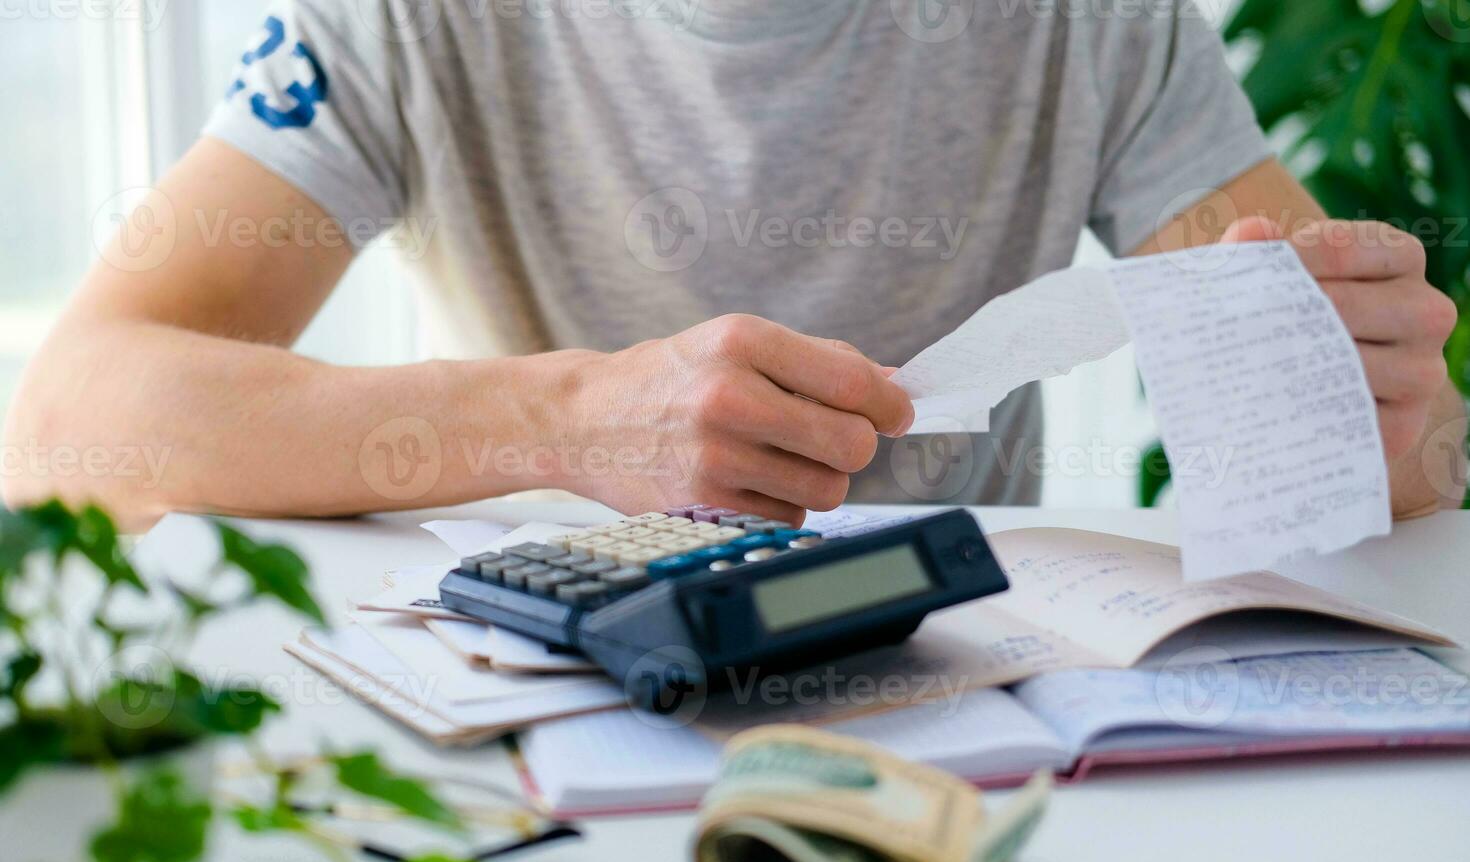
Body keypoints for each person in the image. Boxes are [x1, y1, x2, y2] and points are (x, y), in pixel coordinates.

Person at [4, 0, 1463, 528]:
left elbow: (1384, 467)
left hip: (976, 724)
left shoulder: (1093, 23)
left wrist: (1382, 423)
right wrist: (567, 420)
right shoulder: (397, 20)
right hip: (547, 711)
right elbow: (71, 422)